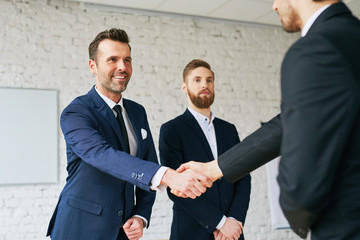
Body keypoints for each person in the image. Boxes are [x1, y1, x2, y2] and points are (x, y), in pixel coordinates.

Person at [178, 0, 360, 239]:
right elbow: (287, 123)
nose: (274, 6)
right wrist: (214, 169)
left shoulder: (316, 49)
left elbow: (301, 177)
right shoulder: (352, 36)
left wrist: (296, 211)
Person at [46, 28, 212, 240]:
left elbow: (147, 161)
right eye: (112, 59)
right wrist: (169, 176)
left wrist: (141, 214)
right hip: (79, 229)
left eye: (127, 60)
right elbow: (103, 155)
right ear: (93, 66)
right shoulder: (76, 112)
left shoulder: (137, 112)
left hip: (122, 230)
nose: (122, 67)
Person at [159, 59, 251, 240]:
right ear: (184, 87)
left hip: (231, 234)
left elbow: (243, 178)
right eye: (197, 80)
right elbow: (176, 188)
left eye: (209, 80)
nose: (205, 85)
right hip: (190, 232)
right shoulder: (172, 130)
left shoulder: (229, 130)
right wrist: (220, 223)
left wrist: (234, 220)